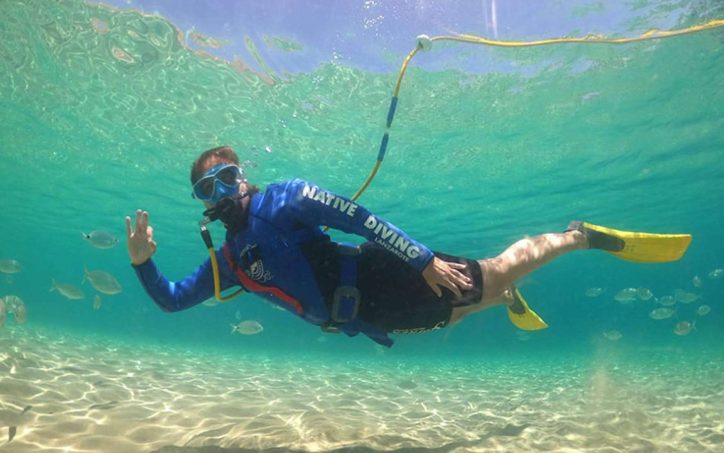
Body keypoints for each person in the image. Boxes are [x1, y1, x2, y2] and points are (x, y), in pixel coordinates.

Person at [126, 146, 692, 347]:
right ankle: (502, 299)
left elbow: (361, 219)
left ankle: (578, 236)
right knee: (455, 314)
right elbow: (171, 300)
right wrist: (142, 263)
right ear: (202, 202)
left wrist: (421, 261)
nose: (221, 192)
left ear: (244, 176)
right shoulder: (228, 261)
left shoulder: (287, 197)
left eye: (227, 177)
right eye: (207, 189)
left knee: (494, 271)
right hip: (364, 316)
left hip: (383, 275)